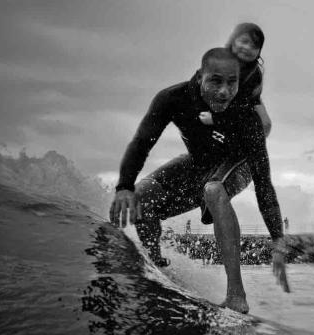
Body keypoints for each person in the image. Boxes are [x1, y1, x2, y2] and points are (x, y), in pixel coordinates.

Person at [109, 47, 289, 314]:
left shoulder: (246, 116)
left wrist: (277, 239)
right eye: (215, 81)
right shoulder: (173, 98)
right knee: (139, 196)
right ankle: (156, 267)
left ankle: (236, 296)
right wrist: (124, 186)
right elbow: (141, 142)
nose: (225, 92)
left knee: (214, 190)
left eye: (232, 83)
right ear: (199, 76)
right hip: (196, 163)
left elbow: (264, 182)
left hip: (236, 165)